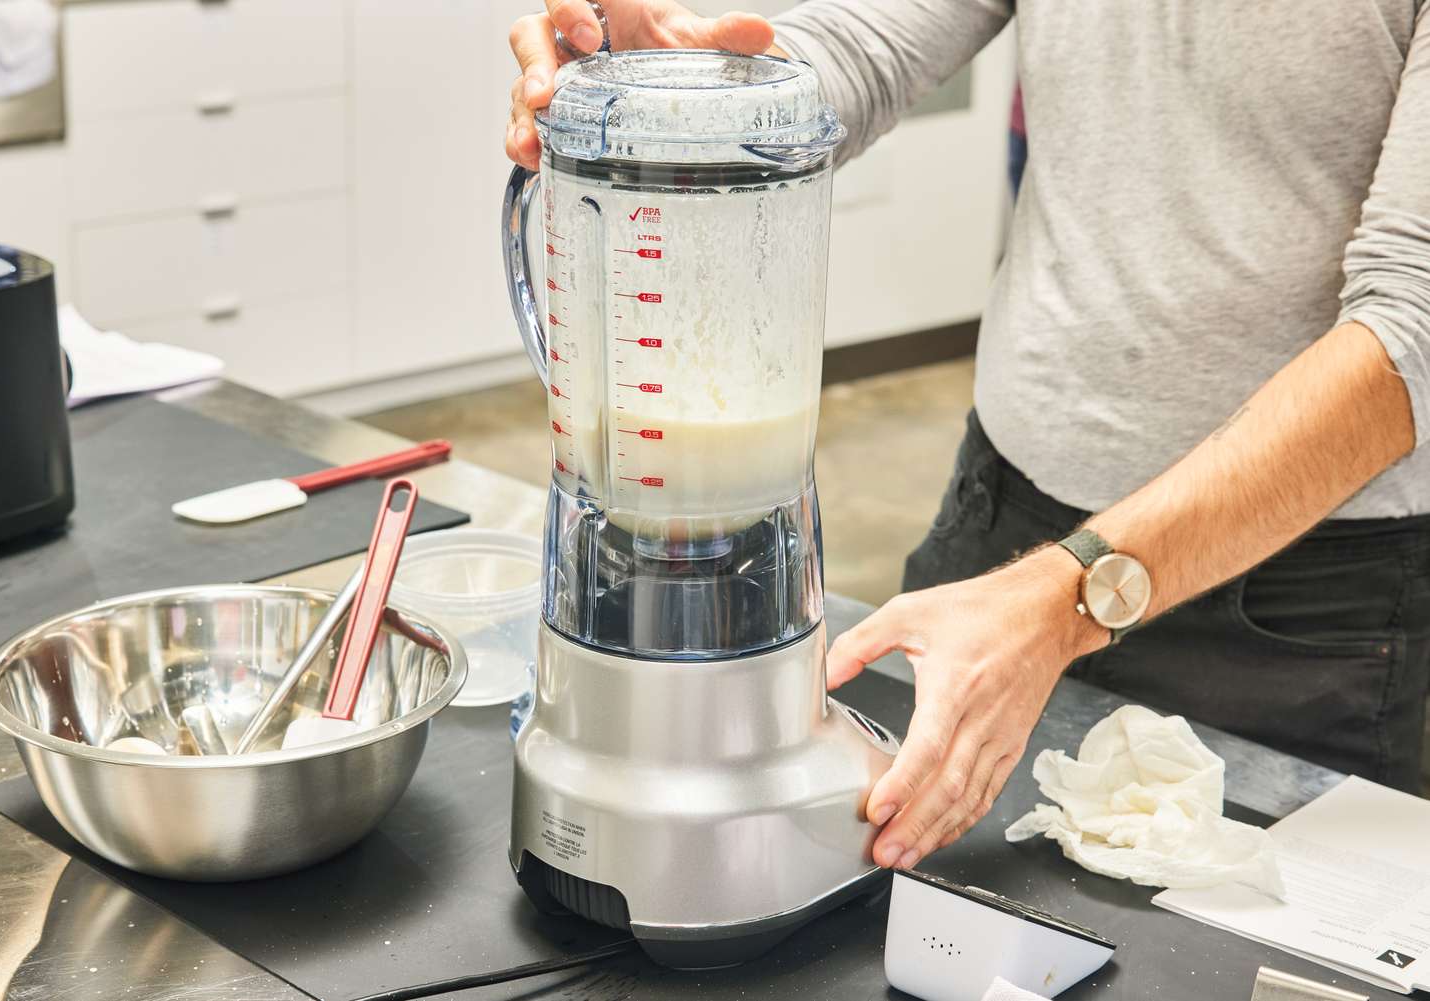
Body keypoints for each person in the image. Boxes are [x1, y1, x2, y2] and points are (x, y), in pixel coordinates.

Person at [505, 0, 1430, 872]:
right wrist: (679, 93)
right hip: (1001, 539)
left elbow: (1410, 331)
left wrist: (1069, 599)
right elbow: (866, 47)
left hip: (1300, 614)